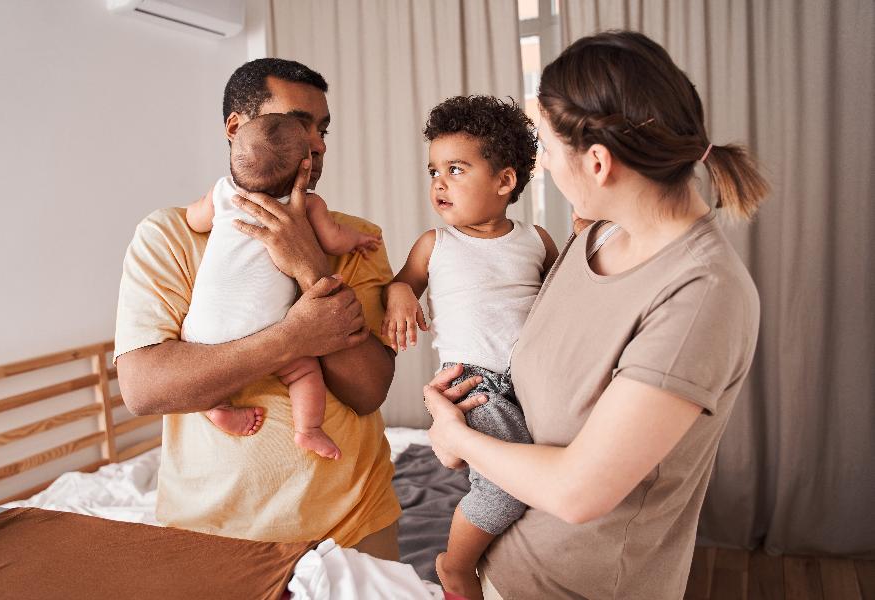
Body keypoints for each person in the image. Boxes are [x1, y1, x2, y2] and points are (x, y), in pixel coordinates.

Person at [424, 31, 767, 599]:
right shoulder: (596, 235)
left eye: (551, 153)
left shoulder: (702, 296)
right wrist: (468, 401)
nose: (547, 170)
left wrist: (455, 436)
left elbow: (578, 492)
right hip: (504, 568)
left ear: (599, 162)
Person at [114, 58, 401, 559]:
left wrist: (309, 264)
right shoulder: (168, 236)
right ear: (237, 127)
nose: (317, 144)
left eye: (323, 128)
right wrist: (294, 338)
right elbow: (144, 388)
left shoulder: (357, 239)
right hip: (208, 534)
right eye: (299, 123)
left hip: (353, 525)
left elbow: (368, 389)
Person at [381, 95, 557, 599]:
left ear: (504, 182)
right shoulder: (435, 244)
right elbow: (401, 284)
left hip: (532, 382)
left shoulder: (535, 239)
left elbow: (561, 299)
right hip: (473, 384)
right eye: (434, 169)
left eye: (456, 169)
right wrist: (398, 299)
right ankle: (455, 565)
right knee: (505, 488)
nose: (439, 182)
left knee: (543, 469)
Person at [182, 113, 381, 461]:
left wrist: (209, 209)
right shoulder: (308, 206)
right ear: (303, 166)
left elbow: (193, 219)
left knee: (195, 354)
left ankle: (216, 406)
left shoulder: (223, 193)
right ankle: (308, 429)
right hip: (270, 326)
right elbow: (334, 241)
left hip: (206, 330)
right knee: (304, 370)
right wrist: (358, 241)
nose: (320, 143)